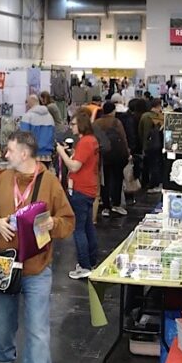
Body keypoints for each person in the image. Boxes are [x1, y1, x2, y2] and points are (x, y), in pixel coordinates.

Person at [0, 131, 75, 363]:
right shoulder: (2, 179)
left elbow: (67, 221)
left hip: (37, 268)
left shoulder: (50, 184)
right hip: (3, 265)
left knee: (38, 331)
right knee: (1, 324)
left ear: (24, 154)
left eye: (10, 150)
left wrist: (53, 223)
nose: (6, 154)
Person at [56, 109, 101, 279]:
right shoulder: (92, 141)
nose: (71, 127)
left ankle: (84, 265)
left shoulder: (85, 142)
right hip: (89, 188)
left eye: (73, 124)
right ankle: (91, 260)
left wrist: (61, 152)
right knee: (88, 226)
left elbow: (74, 166)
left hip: (81, 189)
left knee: (79, 229)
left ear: (81, 124)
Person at [94, 101, 130, 218]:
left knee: (105, 180)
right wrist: (127, 153)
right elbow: (124, 138)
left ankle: (105, 206)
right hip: (117, 155)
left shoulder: (97, 123)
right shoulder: (116, 122)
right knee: (117, 179)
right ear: (113, 111)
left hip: (103, 155)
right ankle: (116, 203)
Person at [138, 98, 165, 193]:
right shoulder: (160, 117)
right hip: (157, 146)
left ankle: (144, 183)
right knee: (155, 165)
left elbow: (141, 132)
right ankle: (154, 184)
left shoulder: (144, 116)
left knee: (146, 165)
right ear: (158, 106)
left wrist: (144, 144)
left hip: (147, 145)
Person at [20, 94, 56, 161]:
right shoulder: (50, 117)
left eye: (26, 102)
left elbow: (24, 137)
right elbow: (53, 136)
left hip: (32, 155)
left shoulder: (27, 117)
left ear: (30, 103)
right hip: (47, 156)